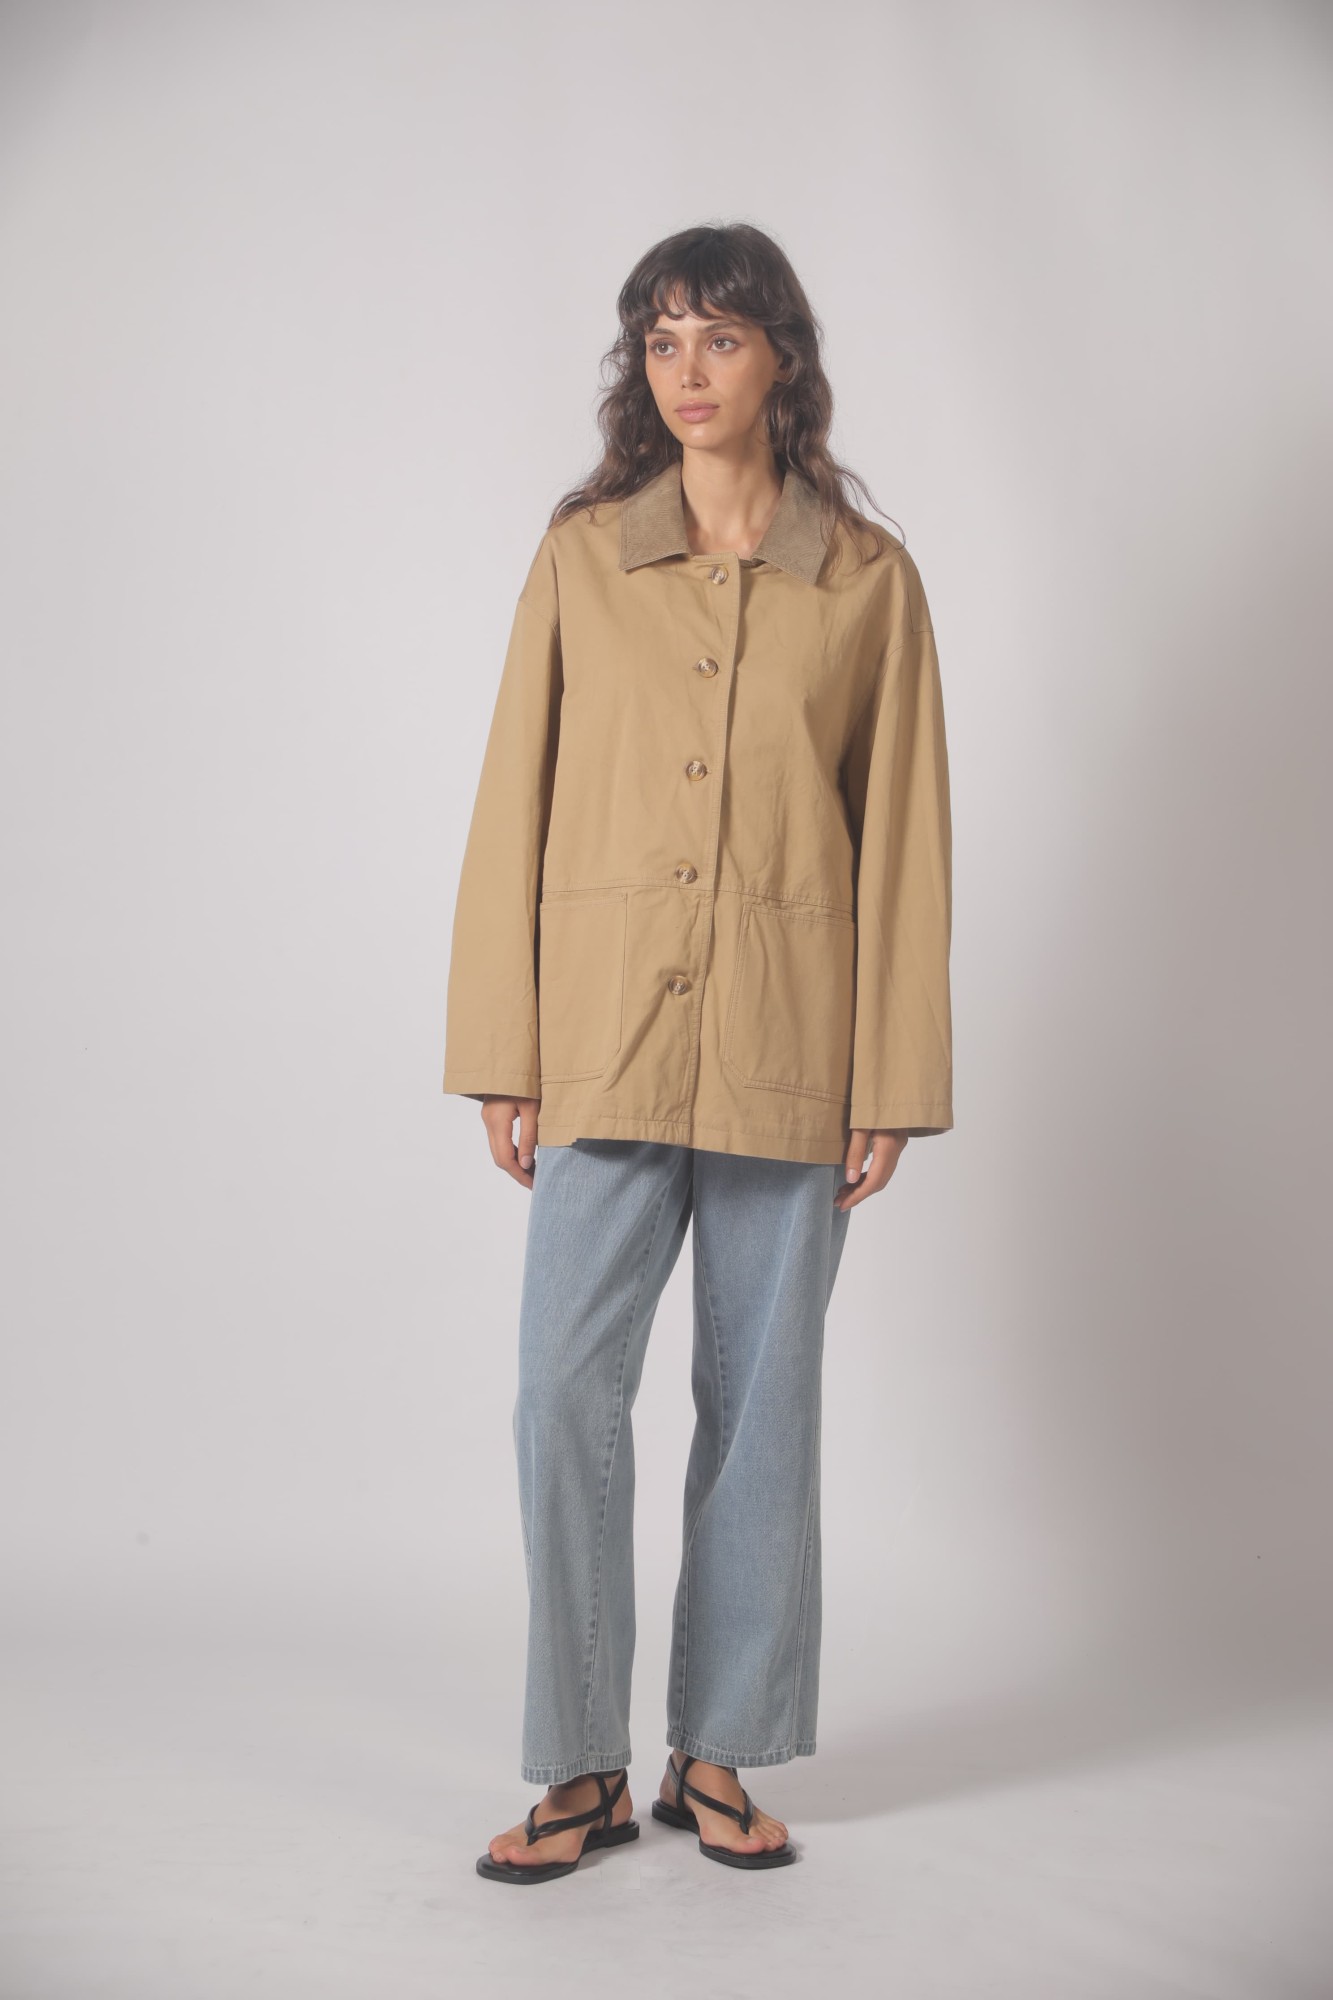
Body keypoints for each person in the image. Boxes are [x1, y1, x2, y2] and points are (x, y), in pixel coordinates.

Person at [442, 221, 954, 1882]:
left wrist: (891, 1082)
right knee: (558, 1390)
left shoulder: (864, 582)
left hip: (788, 1044)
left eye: (718, 338)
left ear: (780, 359)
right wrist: (504, 1045)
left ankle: (712, 1754)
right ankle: (579, 1764)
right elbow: (511, 801)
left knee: (761, 1406)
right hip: (602, 1032)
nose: (685, 370)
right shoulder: (583, 559)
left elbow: (903, 843)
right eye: (660, 339)